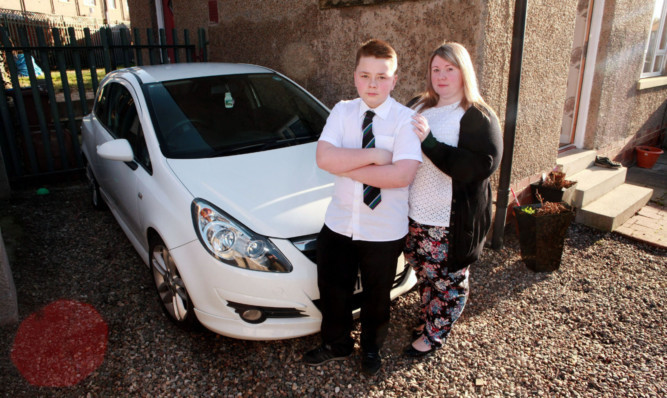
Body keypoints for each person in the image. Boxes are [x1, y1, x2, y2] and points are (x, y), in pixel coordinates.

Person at [302, 39, 422, 375]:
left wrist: (344, 165)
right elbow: (323, 157)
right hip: (339, 223)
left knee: (377, 297)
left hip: (383, 229)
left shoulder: (405, 120)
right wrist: (373, 156)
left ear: (395, 80)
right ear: (355, 76)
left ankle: (371, 350)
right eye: (366, 75)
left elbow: (402, 176)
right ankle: (337, 344)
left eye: (382, 77)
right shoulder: (342, 111)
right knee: (333, 290)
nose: (373, 84)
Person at [403, 42, 503, 357]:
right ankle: (428, 317)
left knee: (448, 281)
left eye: (450, 69)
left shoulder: (476, 115)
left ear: (464, 73)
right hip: (415, 213)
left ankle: (436, 333)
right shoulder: (419, 105)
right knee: (425, 273)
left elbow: (477, 166)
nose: (441, 76)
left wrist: (430, 142)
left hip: (449, 219)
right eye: (436, 69)